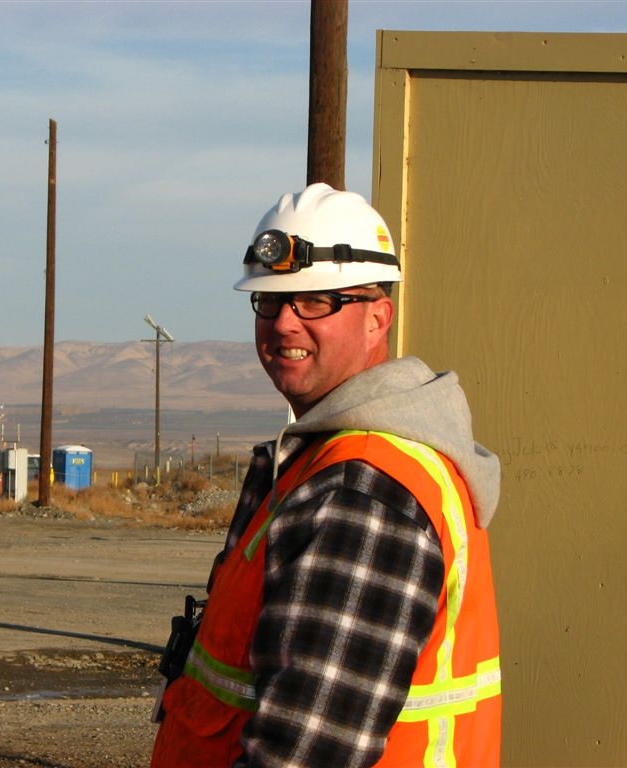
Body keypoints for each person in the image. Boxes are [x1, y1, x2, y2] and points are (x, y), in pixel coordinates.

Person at [151, 183, 502, 767]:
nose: (284, 324)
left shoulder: (364, 489)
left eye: (316, 301)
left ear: (377, 318)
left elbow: (305, 753)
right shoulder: (323, 460)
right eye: (270, 301)